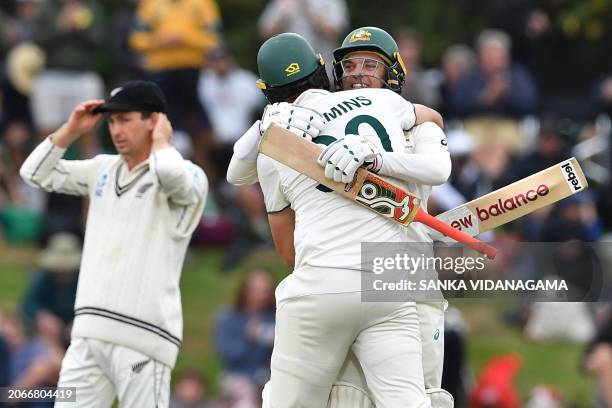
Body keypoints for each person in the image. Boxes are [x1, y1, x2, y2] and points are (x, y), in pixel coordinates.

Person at [243, 30, 450, 406]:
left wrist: (375, 159)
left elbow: (437, 162)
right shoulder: (382, 106)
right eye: (351, 65)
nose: (358, 74)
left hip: (394, 281)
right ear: (329, 72)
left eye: (371, 65)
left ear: (394, 72)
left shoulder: (402, 116)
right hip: (391, 284)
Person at [20, 80, 208, 407]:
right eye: (111, 121)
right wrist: (70, 130)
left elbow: (171, 178)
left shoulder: (190, 176)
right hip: (88, 335)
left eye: (125, 119)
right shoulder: (101, 169)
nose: (116, 130)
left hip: (144, 338)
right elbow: (34, 173)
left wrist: (162, 141)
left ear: (154, 120)